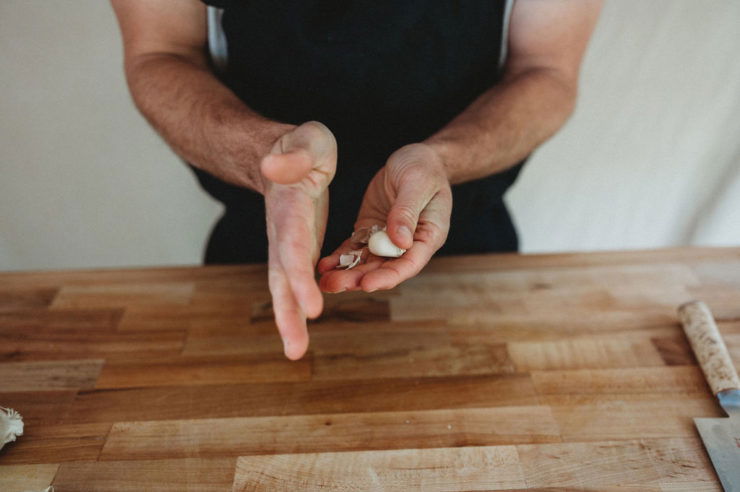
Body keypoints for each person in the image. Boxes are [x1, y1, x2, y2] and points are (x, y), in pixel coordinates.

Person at [111, 0, 602, 360]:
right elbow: (159, 52)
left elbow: (546, 70)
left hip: (467, 250)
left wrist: (442, 160)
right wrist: (268, 155)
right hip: (265, 241)